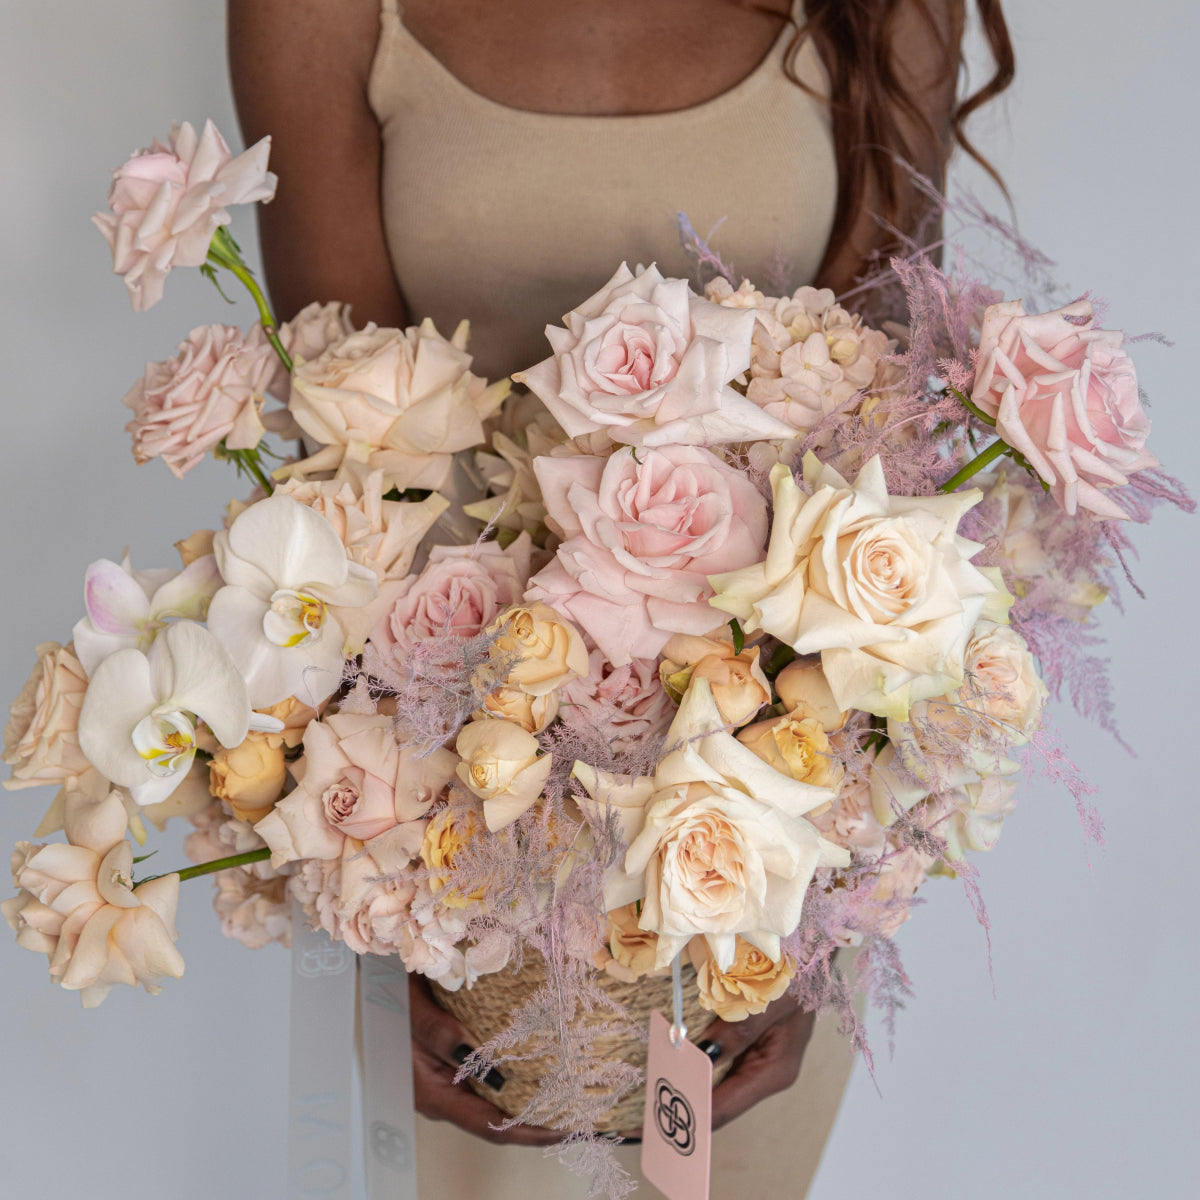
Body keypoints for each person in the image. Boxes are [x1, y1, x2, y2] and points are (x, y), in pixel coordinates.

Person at [227, 1, 1014, 1194]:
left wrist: (812, 923)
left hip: (762, 823)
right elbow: (343, 470)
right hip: (458, 815)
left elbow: (875, 452)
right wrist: (380, 904)